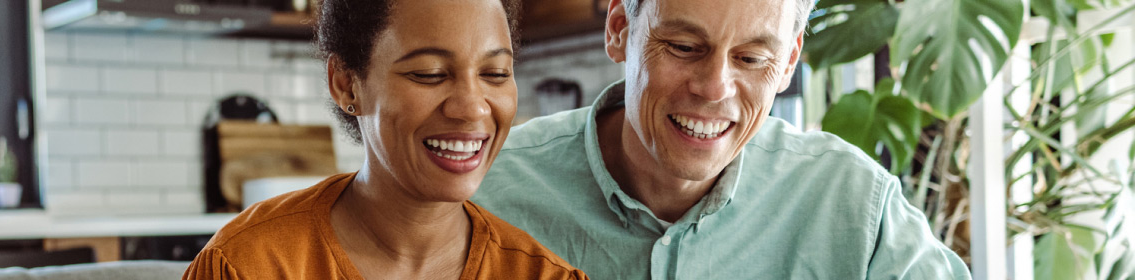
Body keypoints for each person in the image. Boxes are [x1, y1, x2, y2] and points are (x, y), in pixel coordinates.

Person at [469, 0, 972, 278]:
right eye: (684, 47)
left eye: (752, 59)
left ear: (789, 62)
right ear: (621, 29)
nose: (713, 88)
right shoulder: (486, 191)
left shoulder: (855, 205)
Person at [182, 0, 587, 279]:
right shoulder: (247, 266)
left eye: (495, 74)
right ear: (347, 85)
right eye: (429, 73)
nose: (473, 108)